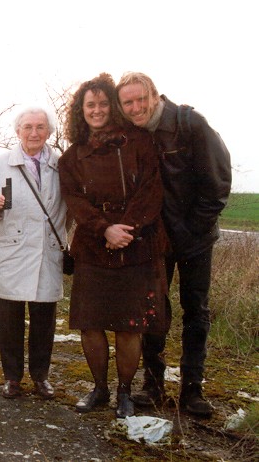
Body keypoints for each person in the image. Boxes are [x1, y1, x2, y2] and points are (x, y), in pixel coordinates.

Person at [116, 72, 232, 417]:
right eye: (128, 102)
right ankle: (153, 384)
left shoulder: (189, 123)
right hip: (155, 240)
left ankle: (192, 390)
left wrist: (192, 229)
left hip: (196, 237)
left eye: (140, 99)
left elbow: (218, 183)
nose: (136, 107)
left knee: (196, 310)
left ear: (154, 96)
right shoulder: (132, 134)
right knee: (154, 309)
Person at [59, 73, 169, 418]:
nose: (97, 110)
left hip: (137, 246)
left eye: (103, 103)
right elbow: (75, 201)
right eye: (90, 105)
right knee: (91, 323)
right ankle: (100, 390)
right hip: (92, 246)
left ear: (114, 106)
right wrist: (104, 229)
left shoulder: (140, 142)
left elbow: (152, 191)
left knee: (129, 324)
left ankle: (124, 392)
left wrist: (128, 229)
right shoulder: (72, 157)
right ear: (81, 110)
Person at [0, 106, 65, 400]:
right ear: (17, 131)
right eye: (28, 127)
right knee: (8, 320)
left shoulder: (62, 165)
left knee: (43, 321)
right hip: (11, 253)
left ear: (49, 132)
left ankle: (40, 377)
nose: (34, 133)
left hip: (45, 253)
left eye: (40, 127)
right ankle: (12, 378)